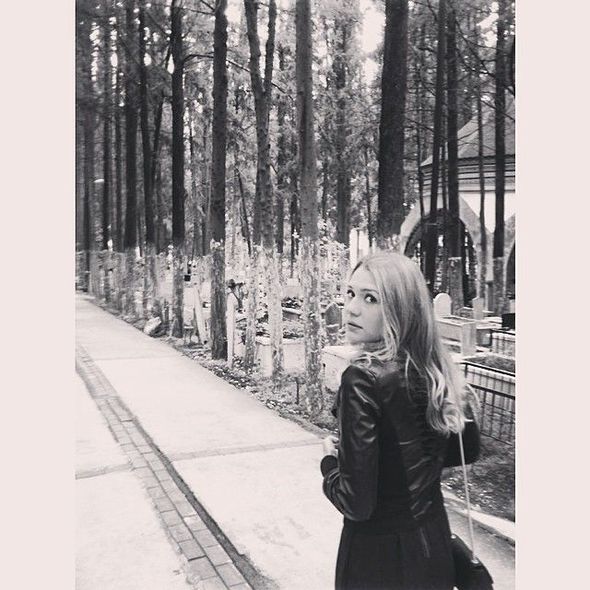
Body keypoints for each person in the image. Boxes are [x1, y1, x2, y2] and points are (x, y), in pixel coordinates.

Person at [320, 251, 479, 590]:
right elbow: (463, 451)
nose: (351, 308)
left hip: (378, 560)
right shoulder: (435, 369)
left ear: (400, 309)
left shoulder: (362, 379)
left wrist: (330, 464)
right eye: (351, 293)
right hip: (434, 544)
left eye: (370, 298)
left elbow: (356, 503)